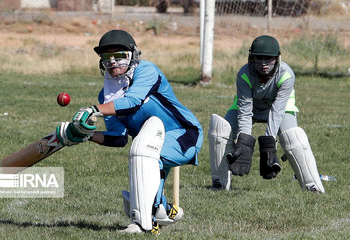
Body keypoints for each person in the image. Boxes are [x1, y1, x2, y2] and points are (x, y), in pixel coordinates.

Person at [56, 30, 203, 234]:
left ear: (133, 55)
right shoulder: (107, 93)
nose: (113, 62)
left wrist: (94, 109)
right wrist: (87, 135)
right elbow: (118, 137)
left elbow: (132, 102)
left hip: (184, 134)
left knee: (143, 153)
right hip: (151, 142)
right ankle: (160, 211)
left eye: (120, 56)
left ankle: (145, 221)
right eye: (107, 57)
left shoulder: (147, 70)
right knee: (143, 152)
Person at [208, 35, 325, 193]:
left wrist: (270, 145)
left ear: (277, 59)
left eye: (268, 59)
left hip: (279, 108)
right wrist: (244, 144)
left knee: (293, 136)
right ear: (252, 58)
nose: (263, 63)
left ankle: (311, 185)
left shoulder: (287, 75)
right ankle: (220, 183)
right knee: (220, 130)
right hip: (251, 107)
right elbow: (245, 110)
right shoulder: (244, 74)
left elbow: (277, 111)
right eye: (259, 58)